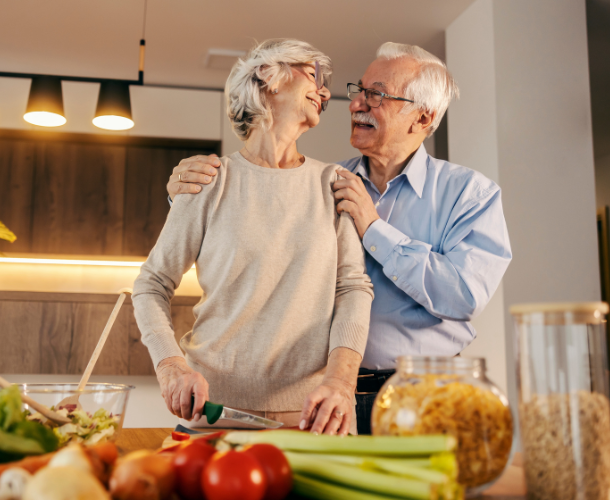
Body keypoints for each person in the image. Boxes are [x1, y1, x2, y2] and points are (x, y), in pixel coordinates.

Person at [165, 42, 512, 434]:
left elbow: (463, 295)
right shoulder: (324, 182)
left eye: (376, 95)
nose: (355, 104)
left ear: (422, 117)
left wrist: (374, 230)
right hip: (324, 395)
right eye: (359, 90)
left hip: (426, 395)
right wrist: (189, 194)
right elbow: (257, 227)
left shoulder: (470, 194)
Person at [132, 39, 374, 437]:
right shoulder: (209, 180)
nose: (326, 91)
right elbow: (151, 284)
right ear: (268, 77)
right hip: (212, 417)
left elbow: (352, 288)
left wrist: (342, 383)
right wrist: (171, 366)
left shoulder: (332, 183)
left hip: (311, 422)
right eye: (312, 74)